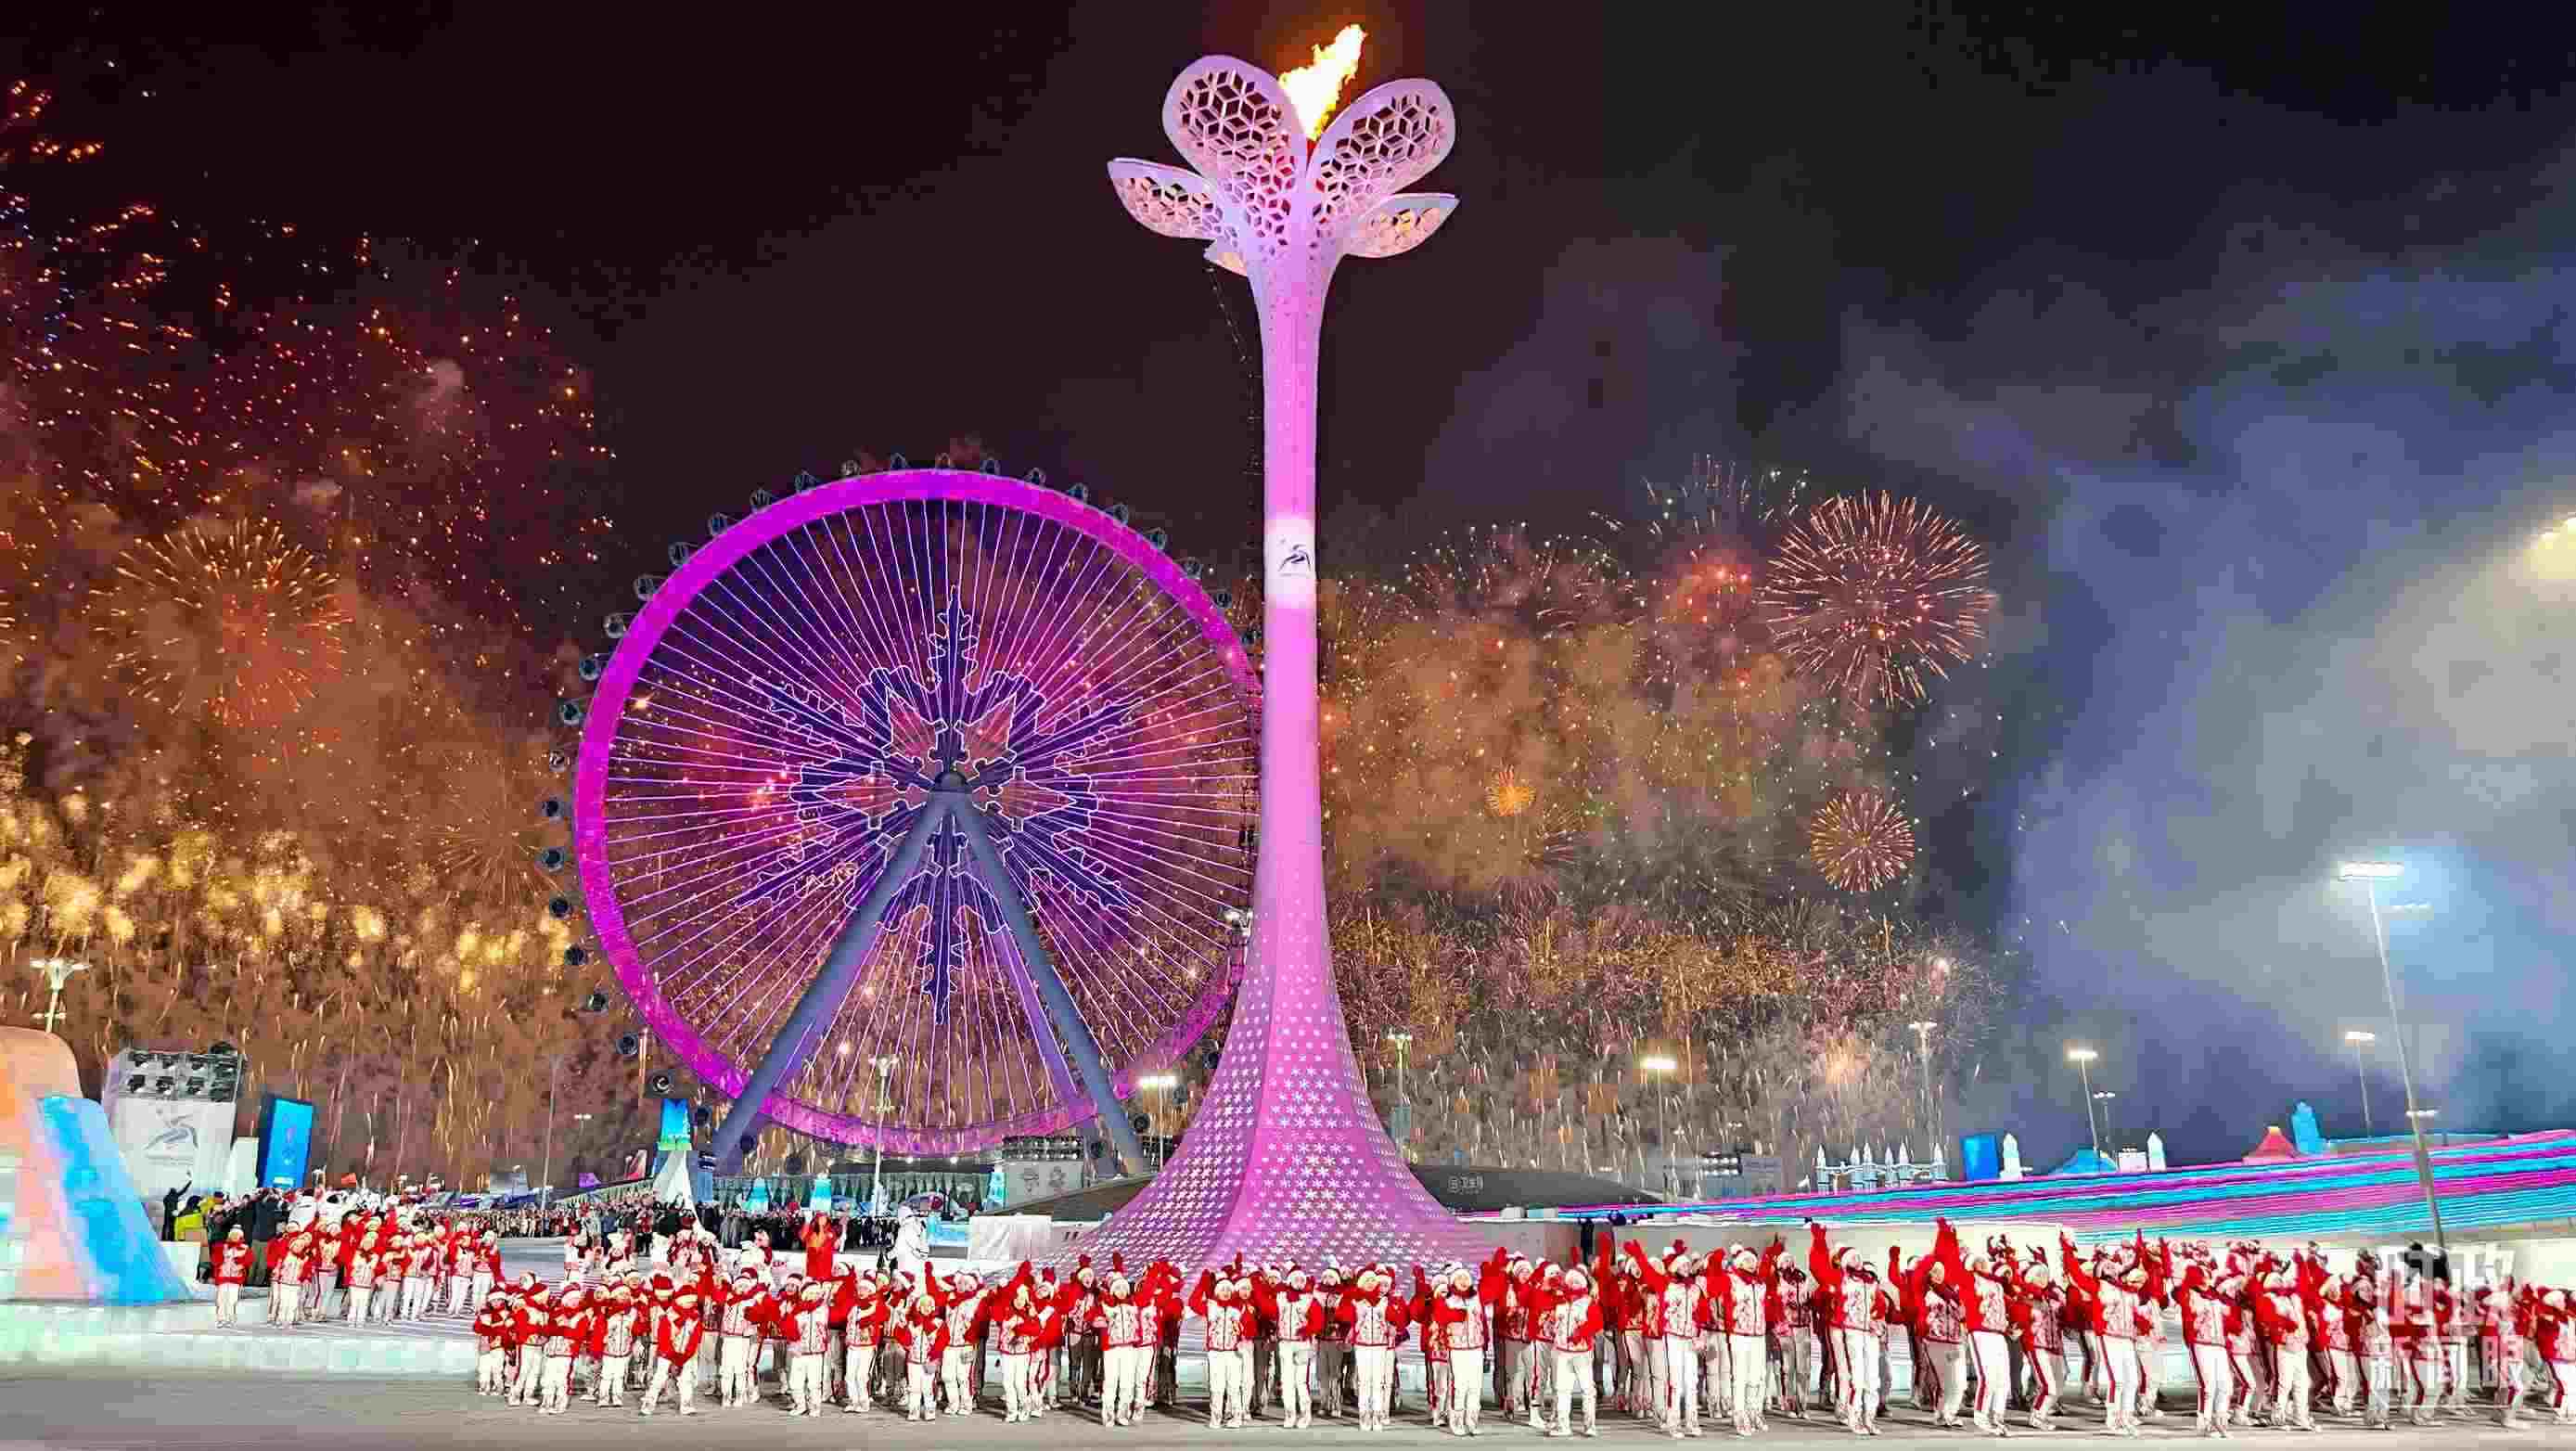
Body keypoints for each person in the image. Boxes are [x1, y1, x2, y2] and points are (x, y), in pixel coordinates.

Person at [1339, 1267, 1410, 1432]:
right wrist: (1349, 1296)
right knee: (1364, 1382)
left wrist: (1394, 1316)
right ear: (1362, 1283)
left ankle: (1377, 1415)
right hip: (1362, 1345)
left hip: (1380, 1345)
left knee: (1378, 1382)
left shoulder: (1384, 1302)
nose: (1371, 1283)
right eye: (1368, 1280)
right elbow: (1343, 1316)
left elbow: (1398, 1321)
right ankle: (1364, 1415)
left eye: (1373, 1280)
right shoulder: (1356, 1302)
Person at [210, 1225, 253, 1329]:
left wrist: (241, 1264)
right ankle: (221, 1319)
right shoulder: (222, 1247)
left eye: (237, 1235)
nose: (234, 1237)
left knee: (232, 1300)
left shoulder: (245, 1248)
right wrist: (219, 1263)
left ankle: (230, 1318)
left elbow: (250, 1259)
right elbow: (214, 1259)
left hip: (235, 1278)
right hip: (223, 1277)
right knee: (221, 1299)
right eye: (233, 1235)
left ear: (240, 1236)